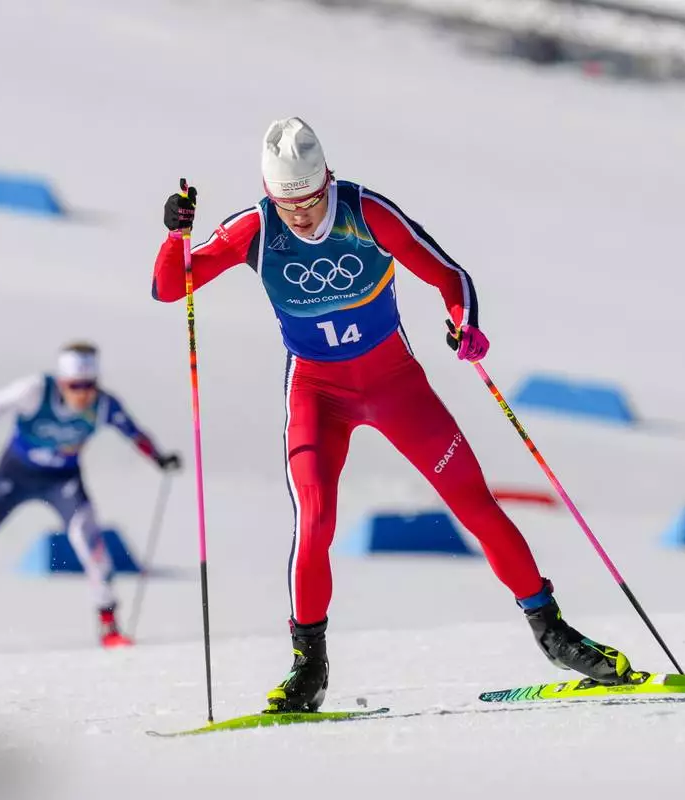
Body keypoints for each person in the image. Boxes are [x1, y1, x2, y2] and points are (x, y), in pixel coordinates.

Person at [150, 117, 636, 712]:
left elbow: (449, 274)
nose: (300, 214)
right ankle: (310, 666)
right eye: (287, 202)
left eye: (309, 198)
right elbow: (173, 287)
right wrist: (175, 235)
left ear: (327, 179)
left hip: (395, 384)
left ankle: (553, 632)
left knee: (474, 503)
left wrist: (464, 322)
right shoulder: (253, 229)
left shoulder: (367, 213)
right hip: (317, 394)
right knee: (316, 520)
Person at [0, 341, 182, 656]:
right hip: (15, 474)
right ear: (62, 382)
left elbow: (134, 434)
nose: (84, 395)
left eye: (90, 386)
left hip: (62, 479)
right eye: (76, 386)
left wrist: (160, 459)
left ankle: (109, 628)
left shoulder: (104, 405)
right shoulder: (34, 390)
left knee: (89, 541)